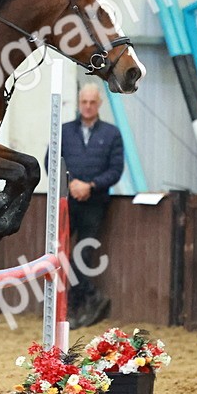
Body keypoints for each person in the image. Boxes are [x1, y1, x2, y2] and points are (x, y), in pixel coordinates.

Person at [59, 83, 125, 329]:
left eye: (92, 102)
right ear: (79, 103)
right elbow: (51, 161)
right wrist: (72, 183)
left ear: (99, 104)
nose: (88, 106)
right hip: (68, 201)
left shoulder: (112, 134)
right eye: (84, 102)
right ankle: (85, 301)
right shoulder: (64, 131)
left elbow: (115, 170)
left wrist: (91, 185)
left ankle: (78, 307)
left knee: (82, 256)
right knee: (61, 256)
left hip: (95, 203)